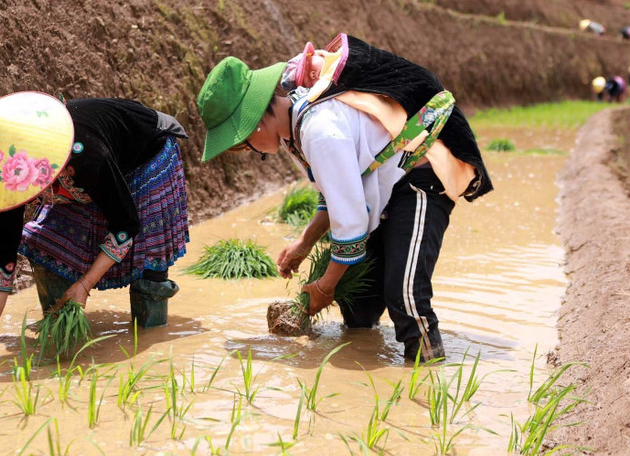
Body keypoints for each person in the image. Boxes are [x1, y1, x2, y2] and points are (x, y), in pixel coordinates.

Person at [196, 34, 492, 361]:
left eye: (242, 144)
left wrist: (324, 287)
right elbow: (337, 195)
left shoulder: (318, 131)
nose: (249, 151)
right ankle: (367, 360)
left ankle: (427, 376)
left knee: (405, 295)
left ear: (252, 127)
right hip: (385, 187)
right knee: (360, 305)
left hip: (420, 177)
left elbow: (351, 223)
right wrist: (304, 244)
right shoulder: (295, 128)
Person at [0, 93, 190, 343]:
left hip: (146, 153)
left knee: (148, 263)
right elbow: (1, 252)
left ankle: (151, 333)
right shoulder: (7, 181)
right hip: (86, 176)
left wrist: (84, 285)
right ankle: (60, 326)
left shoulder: (86, 155)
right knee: (45, 243)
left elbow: (126, 225)